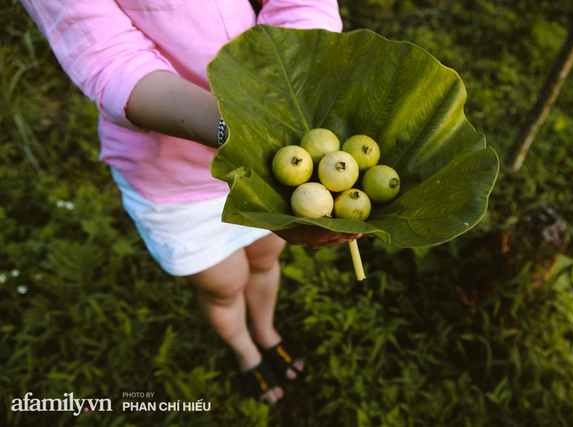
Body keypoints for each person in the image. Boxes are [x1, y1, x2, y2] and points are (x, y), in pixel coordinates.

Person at [20, 0, 361, 404]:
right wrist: (239, 132)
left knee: (266, 259)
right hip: (171, 176)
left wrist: (295, 77)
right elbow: (111, 58)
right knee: (224, 286)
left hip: (278, 155)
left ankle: (267, 332)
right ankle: (246, 352)